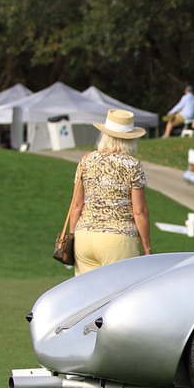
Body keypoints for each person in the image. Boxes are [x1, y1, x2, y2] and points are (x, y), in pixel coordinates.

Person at [69, 109, 151, 276]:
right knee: (118, 295)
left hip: (84, 236)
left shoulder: (86, 160)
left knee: (87, 296)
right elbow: (139, 212)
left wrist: (71, 239)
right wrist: (147, 248)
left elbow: (77, 205)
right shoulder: (132, 165)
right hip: (118, 238)